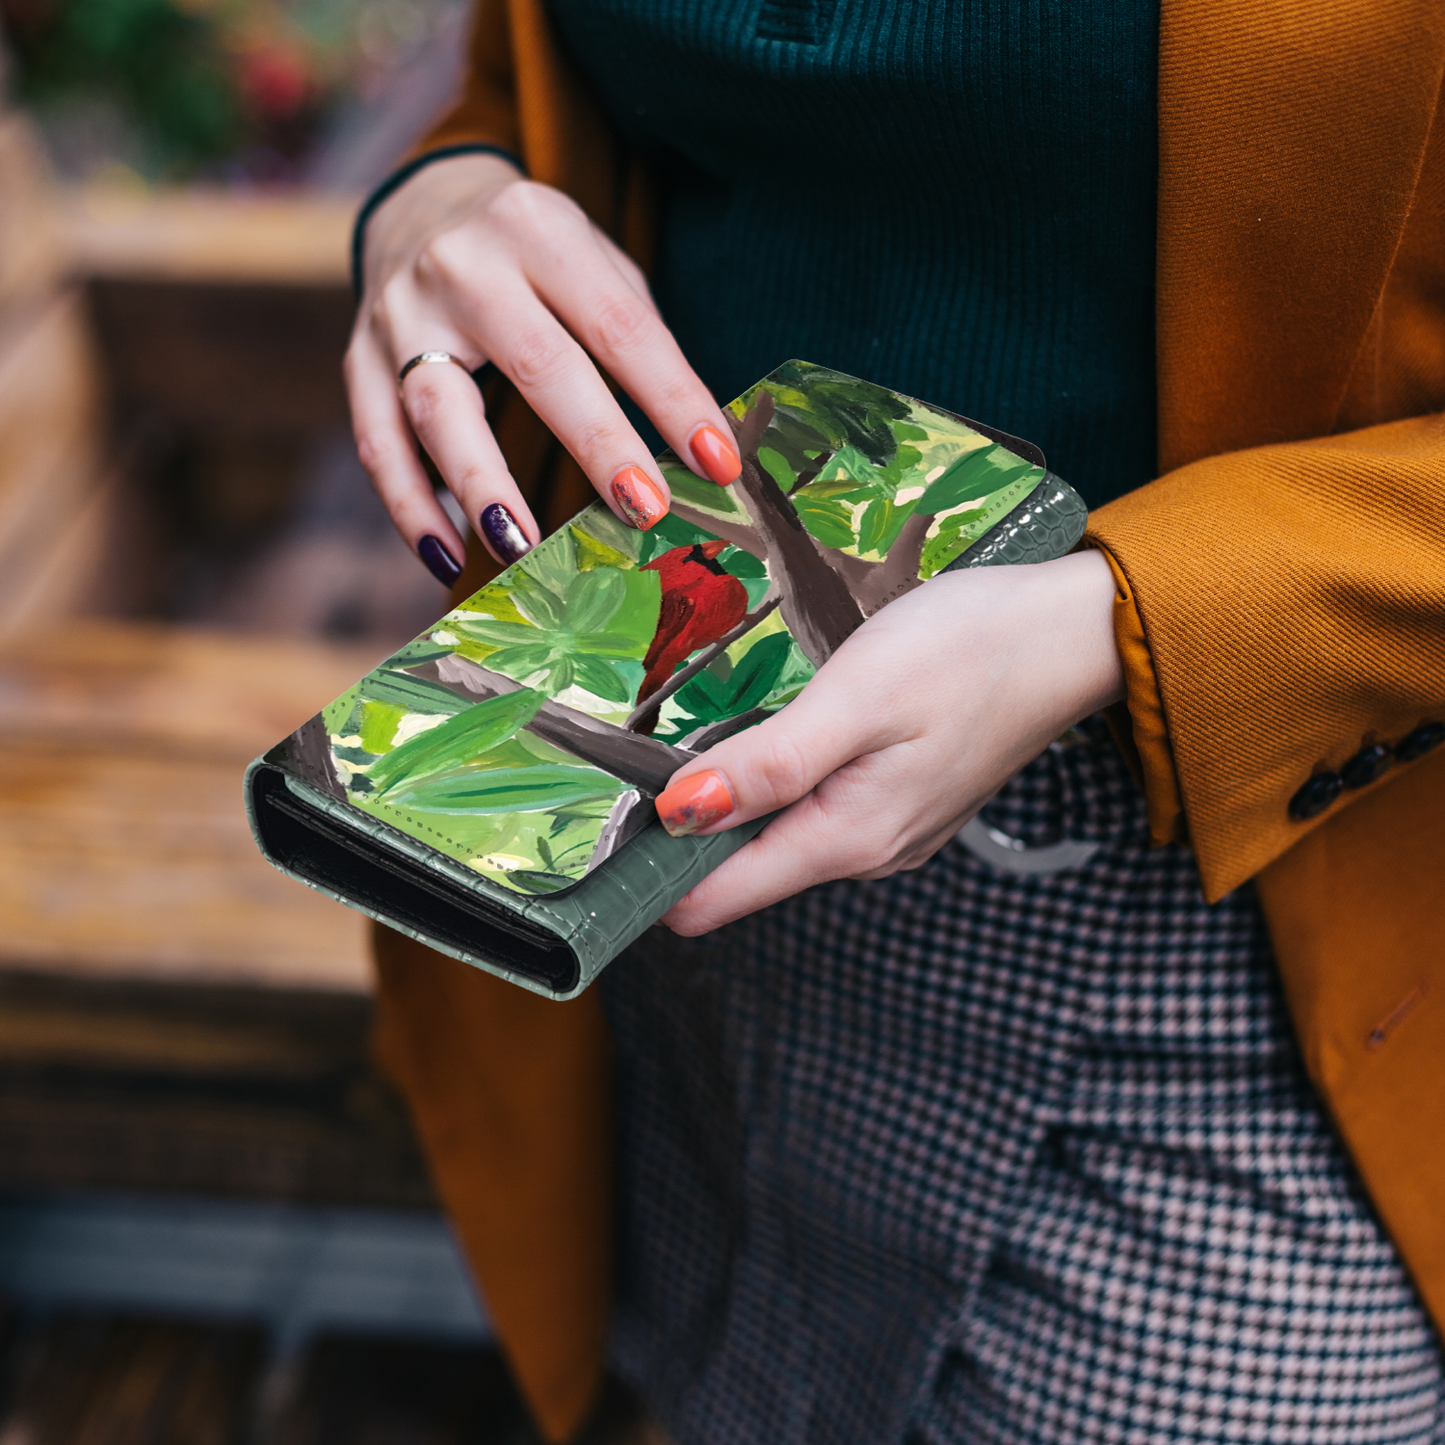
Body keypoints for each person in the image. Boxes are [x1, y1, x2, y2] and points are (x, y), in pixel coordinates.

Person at [345, 0, 1445, 1440]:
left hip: (1238, 911)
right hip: (659, 868)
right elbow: (548, 75)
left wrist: (1123, 615)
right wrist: (444, 197)